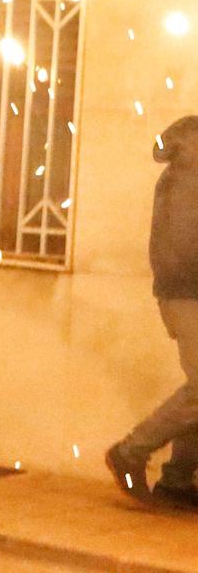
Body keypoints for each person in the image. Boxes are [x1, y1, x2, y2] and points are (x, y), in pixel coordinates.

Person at [106, 116, 198, 512]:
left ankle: (178, 480)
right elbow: (186, 246)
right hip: (188, 293)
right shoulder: (191, 172)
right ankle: (130, 452)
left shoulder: (186, 171)